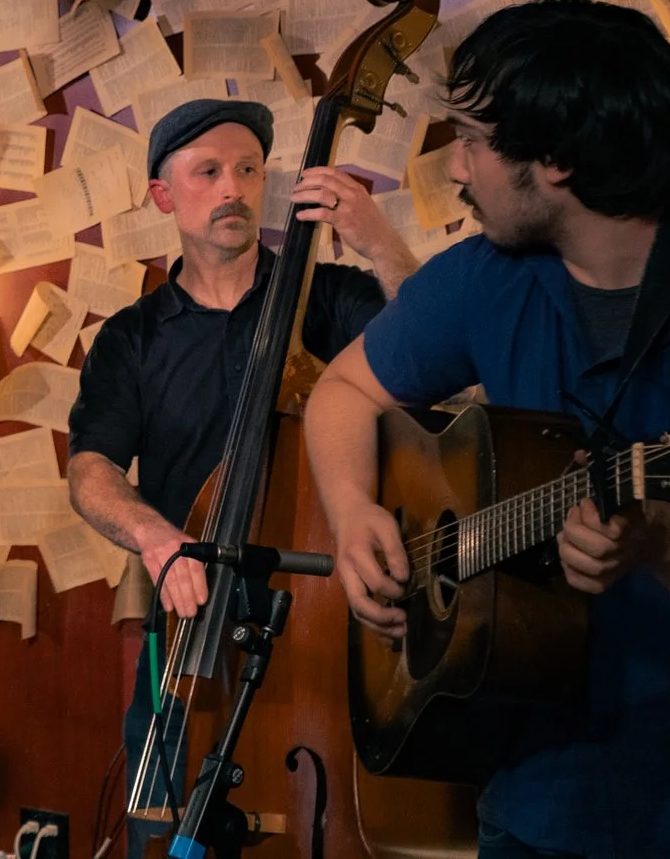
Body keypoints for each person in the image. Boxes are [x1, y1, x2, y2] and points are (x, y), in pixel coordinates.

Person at [306, 0, 670, 859]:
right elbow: (343, 392)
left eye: (474, 140)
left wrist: (668, 541)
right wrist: (354, 515)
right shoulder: (486, 278)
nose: (457, 167)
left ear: (559, 160)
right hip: (542, 802)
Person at [65, 97, 420, 847]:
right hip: (193, 637)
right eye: (209, 172)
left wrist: (379, 240)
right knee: (161, 838)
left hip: (328, 624)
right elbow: (91, 469)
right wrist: (157, 540)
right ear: (165, 195)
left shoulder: (326, 300)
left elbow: (438, 352)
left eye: (249, 170)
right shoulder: (132, 339)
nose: (234, 188)